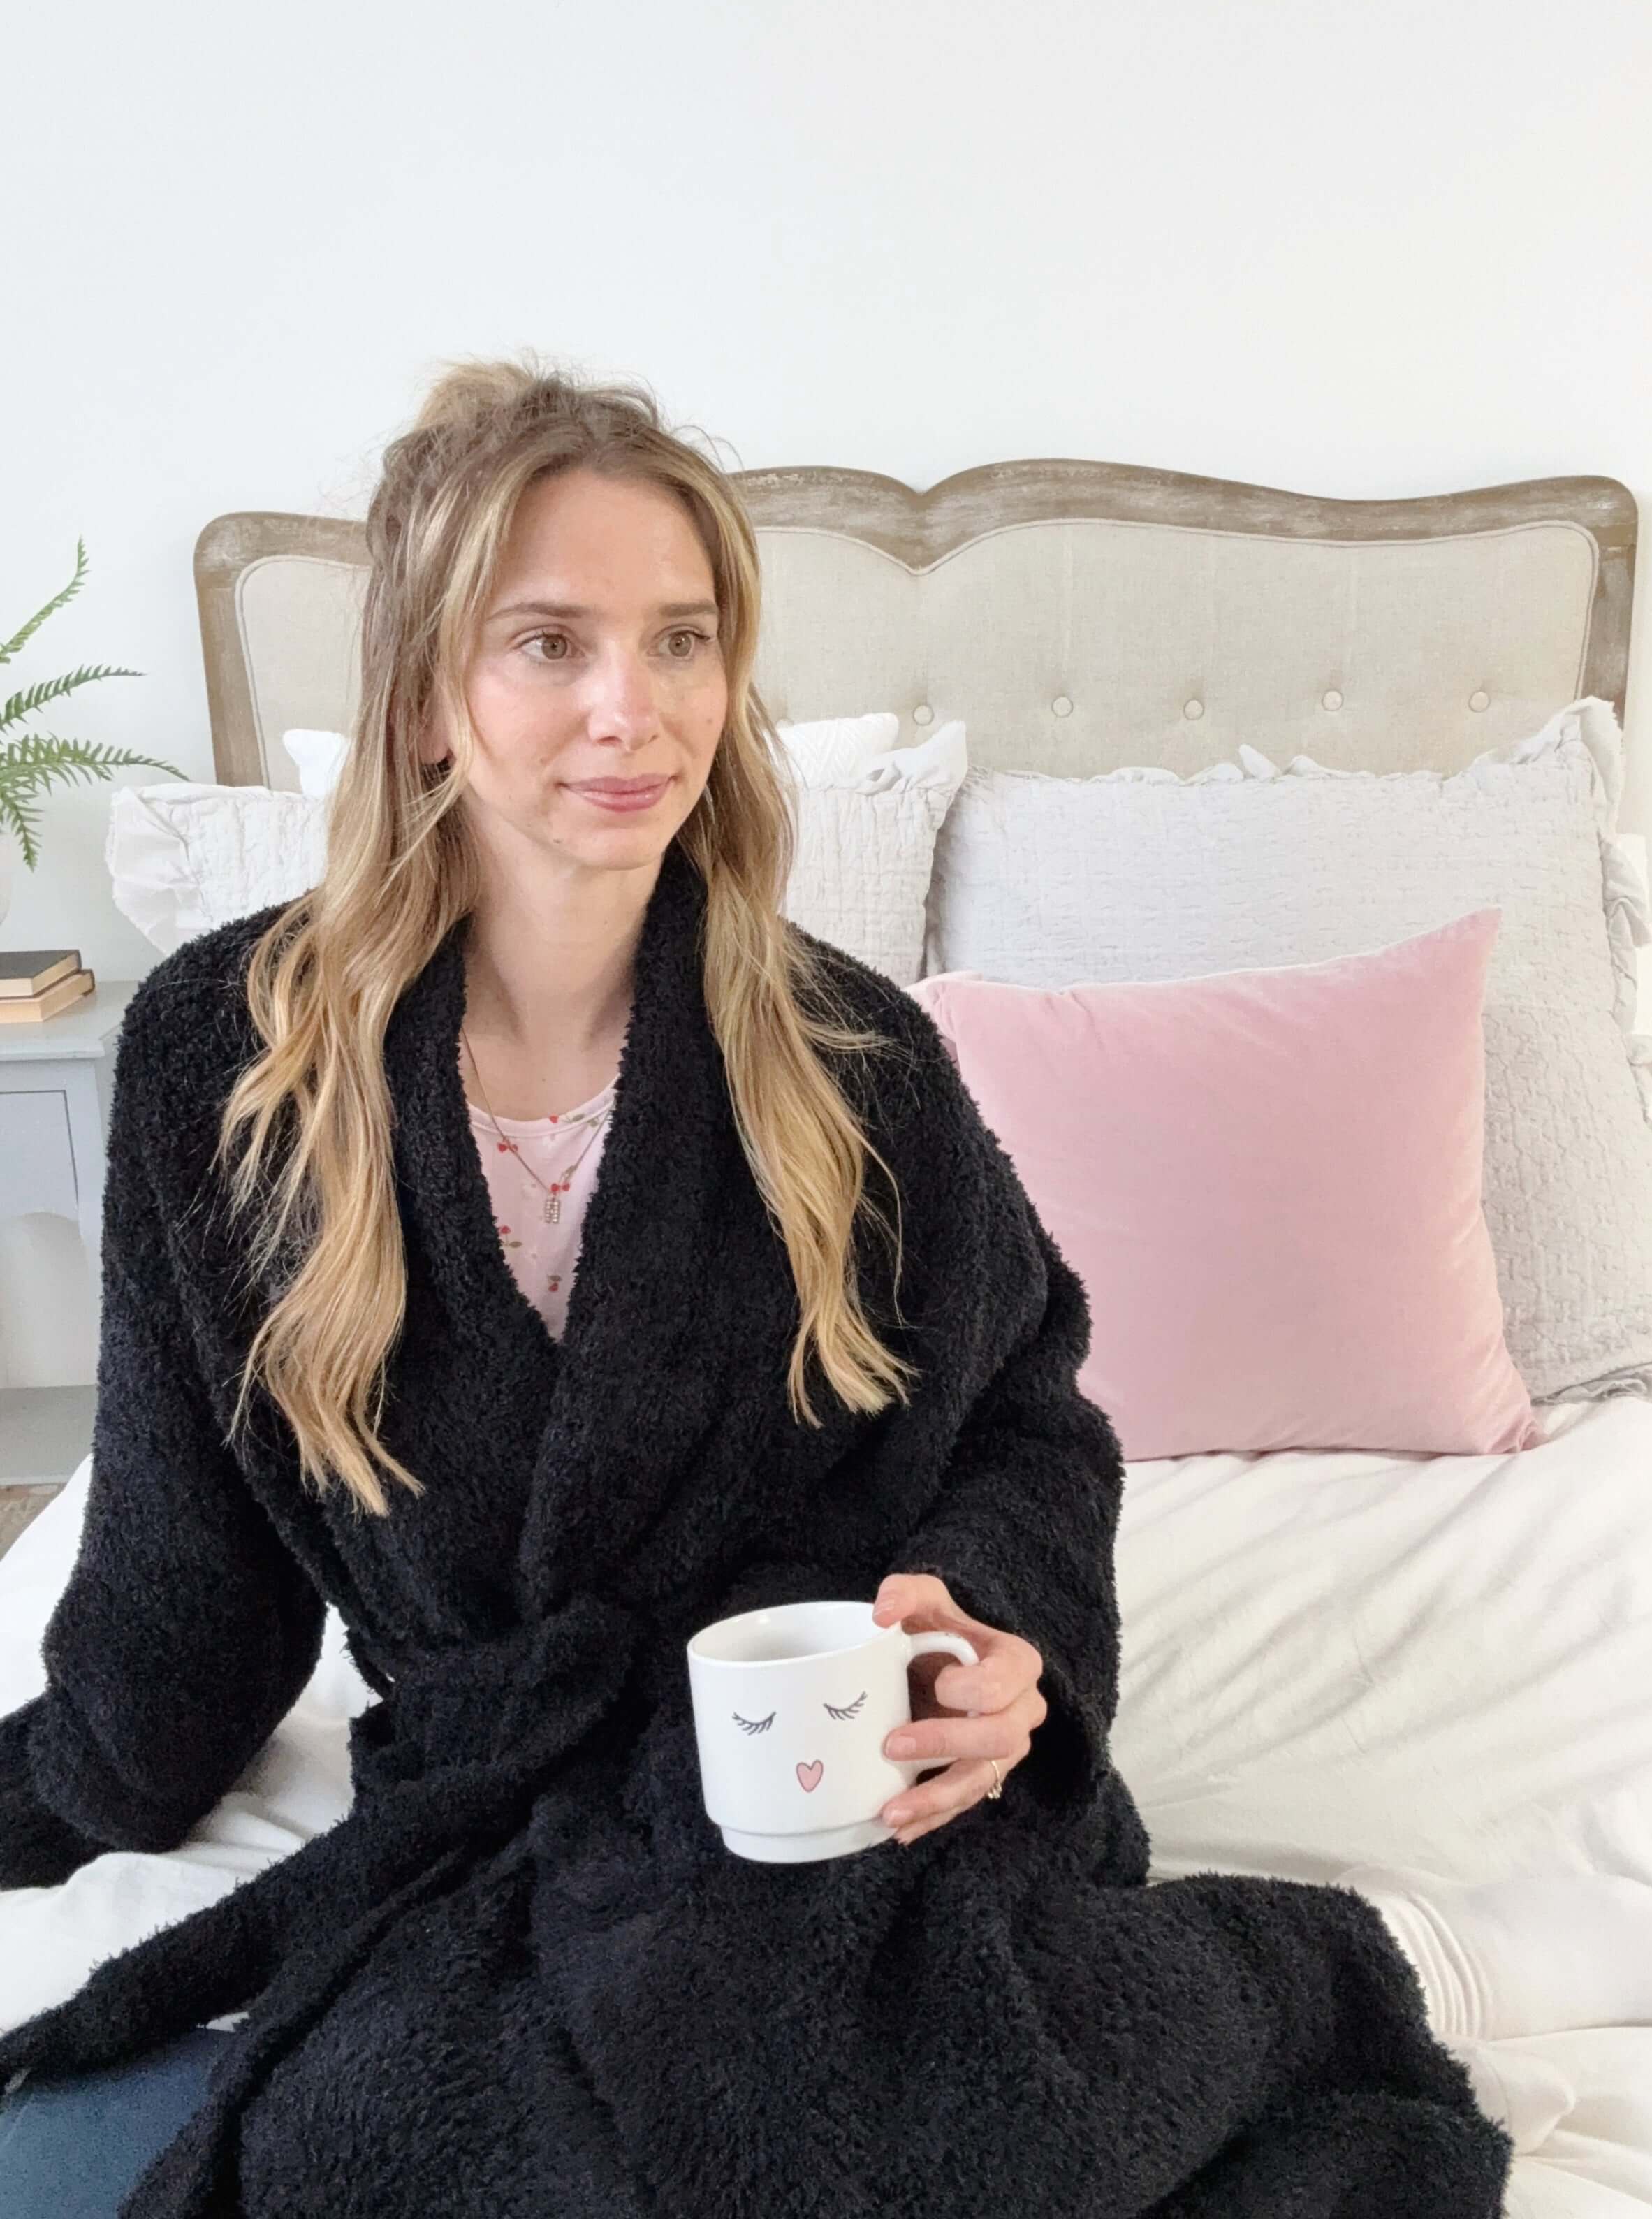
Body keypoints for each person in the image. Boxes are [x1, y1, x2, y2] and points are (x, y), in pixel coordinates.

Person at [0, 355, 1526, 2216]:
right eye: (548, 642)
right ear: (420, 699)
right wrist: (73, 1787)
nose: (632, 710)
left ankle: (1290, 1987)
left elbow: (1029, 1419)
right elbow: (180, 1573)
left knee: (906, 2120)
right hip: (512, 1787)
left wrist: (989, 1639)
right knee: (377, 2146)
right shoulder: (227, 1066)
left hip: (833, 1771)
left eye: (684, 639)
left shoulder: (845, 1058)